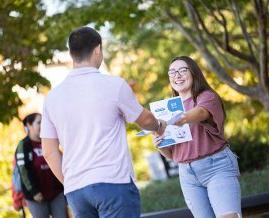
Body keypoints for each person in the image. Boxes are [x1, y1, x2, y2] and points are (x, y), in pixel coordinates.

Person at [40, 26, 166, 218]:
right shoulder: (113, 85)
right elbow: (145, 119)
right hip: (113, 183)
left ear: (72, 53)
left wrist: (71, 182)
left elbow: (49, 152)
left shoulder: (52, 97)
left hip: (76, 191)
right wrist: (159, 126)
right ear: (97, 49)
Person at [153, 56, 241, 218]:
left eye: (182, 70)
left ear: (194, 73)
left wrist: (176, 120)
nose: (176, 75)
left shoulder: (207, 97)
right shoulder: (167, 108)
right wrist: (160, 143)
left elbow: (200, 113)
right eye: (172, 72)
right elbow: (173, 155)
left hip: (216, 166)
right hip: (187, 174)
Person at [15, 113, 67, 218]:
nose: (43, 125)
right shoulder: (24, 145)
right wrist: (34, 191)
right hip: (36, 197)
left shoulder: (49, 142)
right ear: (29, 126)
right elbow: (23, 170)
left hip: (57, 192)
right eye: (39, 122)